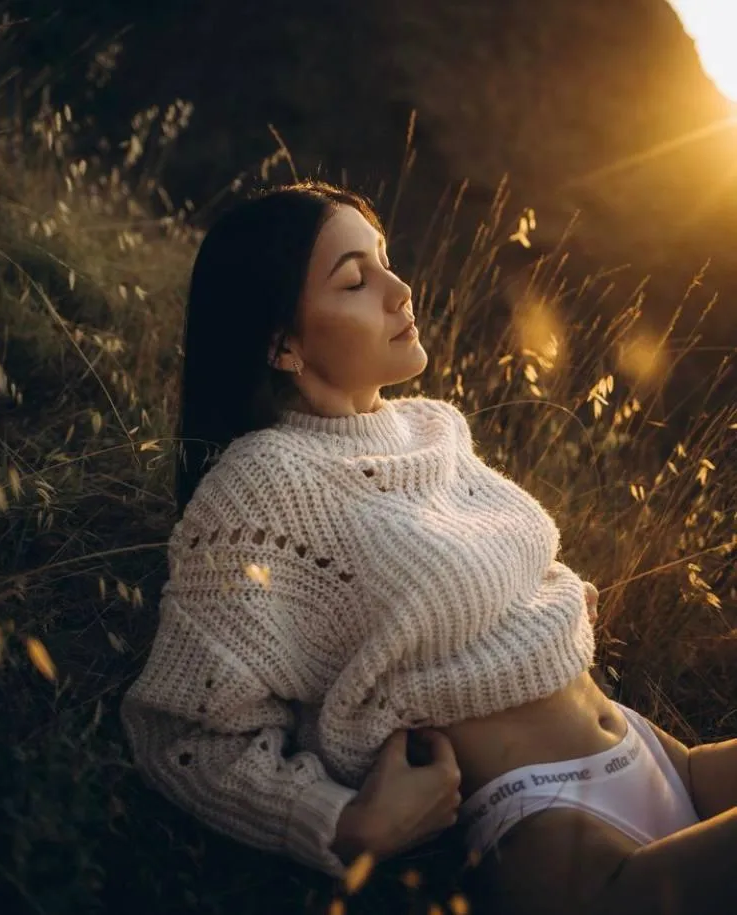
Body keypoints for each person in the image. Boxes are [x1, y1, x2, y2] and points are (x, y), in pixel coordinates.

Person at [120, 180, 737, 915]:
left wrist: (553, 603)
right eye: (355, 279)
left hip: (664, 754)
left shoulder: (432, 427)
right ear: (283, 343)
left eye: (385, 259)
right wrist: (344, 822)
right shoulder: (263, 482)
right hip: (557, 828)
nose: (399, 287)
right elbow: (181, 729)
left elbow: (481, 573)